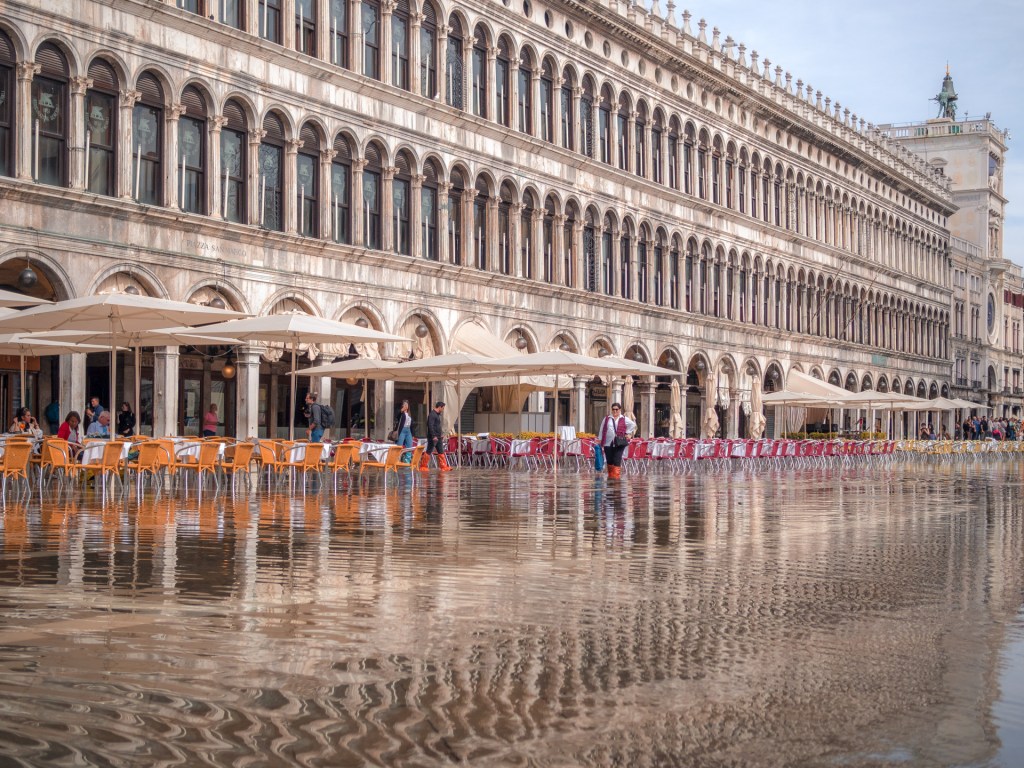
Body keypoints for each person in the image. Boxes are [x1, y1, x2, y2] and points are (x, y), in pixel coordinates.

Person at [598, 402, 636, 480]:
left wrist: (627, 433)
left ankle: (616, 478)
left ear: (620, 410)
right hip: (608, 442)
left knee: (617, 459)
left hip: (619, 442)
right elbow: (602, 429)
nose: (615, 411)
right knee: (609, 460)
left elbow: (633, 425)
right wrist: (600, 439)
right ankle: (611, 476)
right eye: (613, 409)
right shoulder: (607, 418)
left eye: (616, 409)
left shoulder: (624, 418)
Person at [423, 401, 451, 471]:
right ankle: (423, 466)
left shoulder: (437, 415)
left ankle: (443, 466)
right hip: (433, 437)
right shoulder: (432, 415)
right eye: (443, 408)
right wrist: (433, 436)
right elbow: (430, 426)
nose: (443, 410)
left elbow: (437, 426)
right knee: (429, 450)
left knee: (441, 451)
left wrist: (440, 434)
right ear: (439, 407)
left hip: (438, 437)